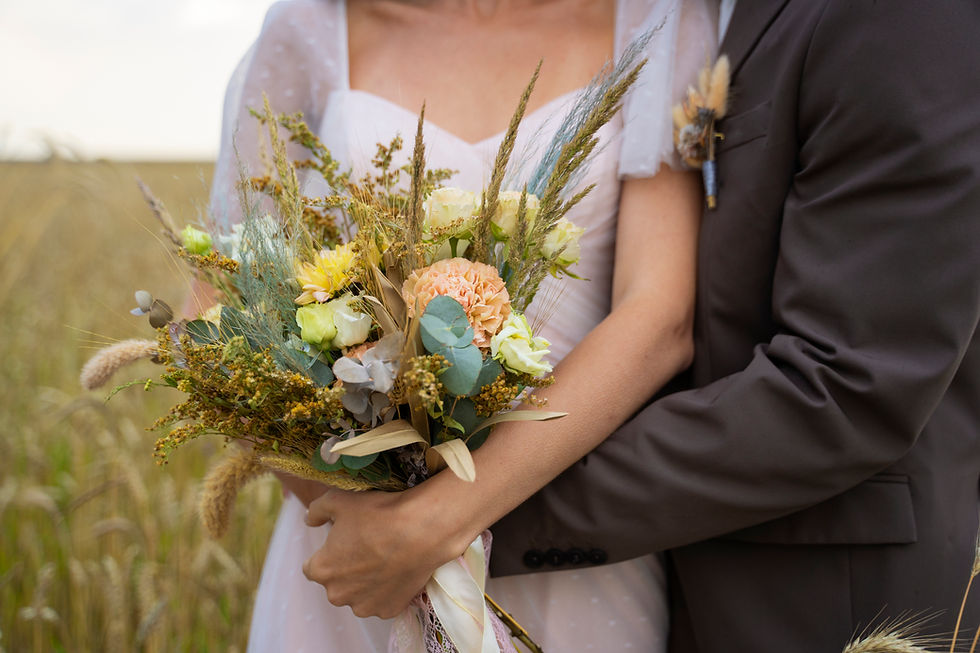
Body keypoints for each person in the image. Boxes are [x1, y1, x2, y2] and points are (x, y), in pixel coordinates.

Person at [304, 1, 980, 650]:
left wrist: (449, 518)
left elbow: (842, 384)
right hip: (657, 577)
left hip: (823, 605)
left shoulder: (897, 13)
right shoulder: (704, 10)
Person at [209, 0, 718, 650]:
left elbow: (658, 314)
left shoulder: (656, 19)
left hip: (567, 559)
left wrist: (434, 526)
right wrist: (358, 514)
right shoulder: (311, 25)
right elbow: (217, 302)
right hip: (353, 562)